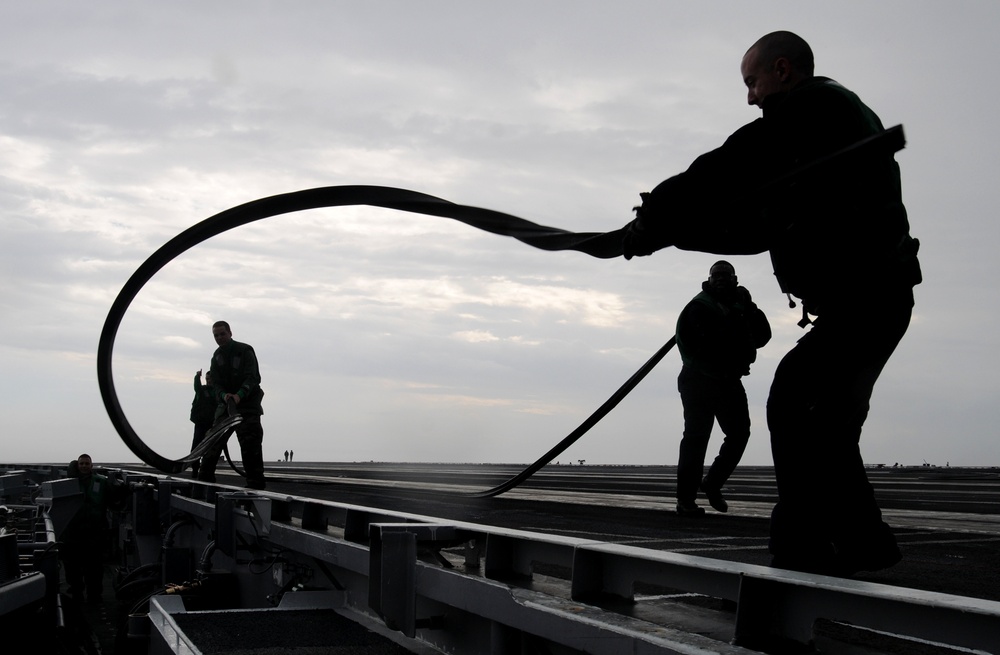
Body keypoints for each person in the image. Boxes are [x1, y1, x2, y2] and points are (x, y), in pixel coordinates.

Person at [621, 31, 921, 576]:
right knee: (825, 423)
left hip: (869, 302)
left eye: (752, 82)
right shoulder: (814, 142)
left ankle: (804, 547)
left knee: (793, 401)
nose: (751, 96)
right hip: (870, 304)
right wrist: (666, 234)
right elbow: (754, 228)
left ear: (782, 70)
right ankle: (864, 545)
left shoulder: (817, 107)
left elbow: (733, 164)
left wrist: (659, 210)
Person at [674, 261, 770, 517]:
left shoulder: (739, 306)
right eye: (717, 275)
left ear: (735, 279)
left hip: (727, 381)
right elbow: (705, 345)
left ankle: (713, 483)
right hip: (699, 380)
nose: (721, 279)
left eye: (726, 275)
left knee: (740, 434)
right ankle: (686, 500)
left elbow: (763, 336)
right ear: (709, 279)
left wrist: (749, 307)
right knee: (696, 439)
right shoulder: (699, 307)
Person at [196, 321, 267, 489]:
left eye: (222, 334)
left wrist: (239, 395)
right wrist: (224, 395)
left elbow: (253, 378)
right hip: (226, 407)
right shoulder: (216, 356)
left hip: (247, 407)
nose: (219, 338)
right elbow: (216, 383)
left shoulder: (245, 351)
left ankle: (255, 489)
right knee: (211, 446)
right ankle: (202, 487)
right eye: (216, 335)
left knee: (251, 449)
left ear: (230, 333)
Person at [60, 454, 119, 603]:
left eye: (87, 464)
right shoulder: (68, 483)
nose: (84, 466)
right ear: (77, 465)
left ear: (91, 466)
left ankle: (94, 595)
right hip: (73, 531)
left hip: (95, 531)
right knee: (73, 566)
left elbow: (112, 500)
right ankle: (77, 593)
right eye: (81, 464)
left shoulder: (101, 482)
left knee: (94, 566)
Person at [189, 369, 217, 479]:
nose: (208, 381)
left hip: (213, 425)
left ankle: (208, 472)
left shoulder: (217, 392)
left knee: (212, 450)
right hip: (201, 424)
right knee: (196, 448)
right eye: (207, 379)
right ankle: (195, 469)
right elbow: (197, 387)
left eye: (210, 379)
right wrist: (197, 377)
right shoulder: (202, 390)